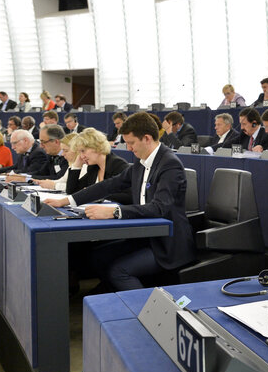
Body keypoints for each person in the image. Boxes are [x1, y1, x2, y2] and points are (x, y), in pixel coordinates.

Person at [44, 112, 195, 291]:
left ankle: (147, 314)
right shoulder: (141, 162)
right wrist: (67, 201)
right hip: (145, 237)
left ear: (146, 138)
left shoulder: (170, 164)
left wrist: (115, 212)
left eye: (131, 143)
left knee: (119, 271)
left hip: (167, 244)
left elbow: (159, 208)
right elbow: (109, 185)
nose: (128, 148)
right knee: (97, 257)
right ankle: (111, 294)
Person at [65, 128, 131, 203]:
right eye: (79, 152)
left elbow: (130, 196)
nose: (81, 156)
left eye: (83, 151)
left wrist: (96, 193)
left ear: (97, 147)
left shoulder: (118, 165)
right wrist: (77, 166)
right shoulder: (93, 168)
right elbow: (72, 191)